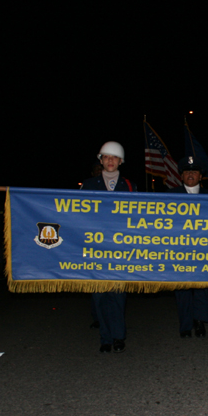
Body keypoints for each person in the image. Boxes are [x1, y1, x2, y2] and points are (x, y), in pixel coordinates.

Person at [80, 141, 136, 354]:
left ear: (121, 161)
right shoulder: (88, 184)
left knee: (118, 295)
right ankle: (105, 337)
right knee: (100, 296)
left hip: (120, 249)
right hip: (96, 249)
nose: (110, 161)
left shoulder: (130, 186)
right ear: (100, 160)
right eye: (106, 157)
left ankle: (118, 336)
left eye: (114, 157)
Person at [169, 157, 208, 338]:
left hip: (204, 250)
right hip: (180, 251)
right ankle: (185, 325)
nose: (190, 174)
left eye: (194, 171)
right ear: (181, 176)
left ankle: (199, 321)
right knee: (183, 290)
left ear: (200, 176)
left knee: (203, 288)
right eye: (187, 171)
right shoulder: (170, 195)